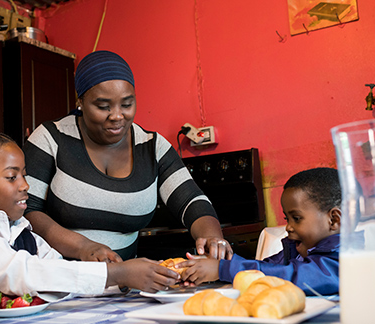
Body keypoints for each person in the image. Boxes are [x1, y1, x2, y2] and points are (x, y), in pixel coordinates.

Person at [0, 131, 179, 315]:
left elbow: (59, 276)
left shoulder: (24, 234)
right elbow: (20, 273)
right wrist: (115, 273)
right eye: (12, 177)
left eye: (24, 175)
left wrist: (125, 280)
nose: (26, 185)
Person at [23, 50, 231, 262]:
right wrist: (83, 247)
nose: (117, 116)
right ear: (81, 102)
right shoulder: (51, 138)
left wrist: (213, 237)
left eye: (127, 104)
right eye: (103, 106)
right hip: (57, 280)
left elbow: (191, 200)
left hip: (123, 285)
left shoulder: (151, 147)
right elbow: (26, 211)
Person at [177, 167, 342, 295]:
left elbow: (291, 276)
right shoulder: (298, 248)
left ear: (334, 220)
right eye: (287, 219)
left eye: (296, 218)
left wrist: (222, 269)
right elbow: (264, 268)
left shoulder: (343, 259)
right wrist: (219, 263)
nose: (288, 227)